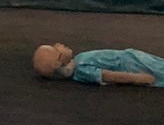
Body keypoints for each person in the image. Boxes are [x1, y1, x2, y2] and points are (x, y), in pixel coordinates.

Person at [33, 44, 164, 85]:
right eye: (56, 49)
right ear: (58, 63)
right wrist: (136, 78)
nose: (59, 45)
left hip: (131, 58)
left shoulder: (78, 61)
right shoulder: (81, 69)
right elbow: (107, 75)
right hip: (131, 64)